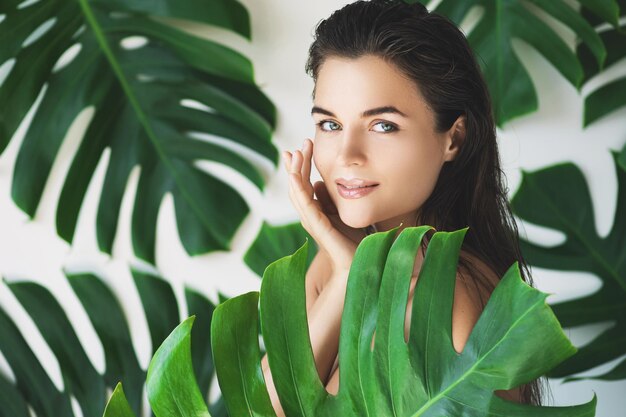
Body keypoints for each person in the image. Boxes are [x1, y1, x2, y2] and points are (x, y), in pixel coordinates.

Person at [261, 0, 545, 414]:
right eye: (330, 124)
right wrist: (344, 275)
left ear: (454, 139)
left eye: (383, 126)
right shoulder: (341, 258)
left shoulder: (449, 298)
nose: (347, 155)